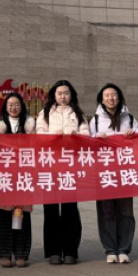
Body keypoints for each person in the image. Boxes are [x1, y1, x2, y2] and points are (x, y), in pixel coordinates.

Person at [36, 80, 89, 265]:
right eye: (59, 93)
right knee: (51, 209)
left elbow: (87, 135)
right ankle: (53, 251)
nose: (63, 96)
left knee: (70, 209)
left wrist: (77, 136)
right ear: (54, 95)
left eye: (66, 93)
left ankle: (70, 251)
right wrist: (53, 136)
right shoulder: (45, 113)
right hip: (50, 166)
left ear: (71, 95)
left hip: (70, 167)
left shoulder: (78, 113)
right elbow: (38, 135)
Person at [89, 83, 138, 264]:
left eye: (114, 95)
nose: (110, 98)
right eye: (107, 95)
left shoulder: (130, 118)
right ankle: (110, 249)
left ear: (119, 98)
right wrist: (96, 138)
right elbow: (88, 143)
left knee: (126, 211)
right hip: (104, 172)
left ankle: (124, 248)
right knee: (106, 211)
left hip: (125, 172)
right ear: (102, 99)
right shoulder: (95, 120)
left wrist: (134, 134)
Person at [0, 92, 36, 268]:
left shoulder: (30, 126)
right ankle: (5, 254)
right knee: (3, 216)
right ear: (5, 107)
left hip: (23, 176)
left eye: (16, 104)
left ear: (22, 107)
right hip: (3, 177)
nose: (13, 108)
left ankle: (21, 253)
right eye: (10, 105)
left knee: (22, 215)